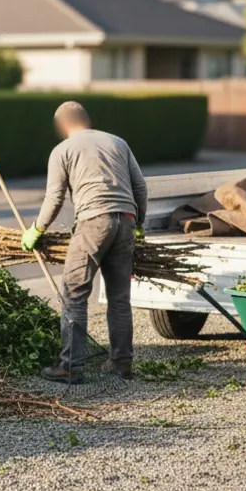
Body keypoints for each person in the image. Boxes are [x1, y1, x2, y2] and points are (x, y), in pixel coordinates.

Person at [21, 102, 148, 384]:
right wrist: (138, 225)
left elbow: (54, 197)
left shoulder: (63, 150)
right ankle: (122, 364)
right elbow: (140, 186)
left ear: (63, 125)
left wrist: (37, 229)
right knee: (118, 298)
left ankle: (71, 365)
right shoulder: (118, 143)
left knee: (74, 293)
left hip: (93, 221)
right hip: (126, 219)